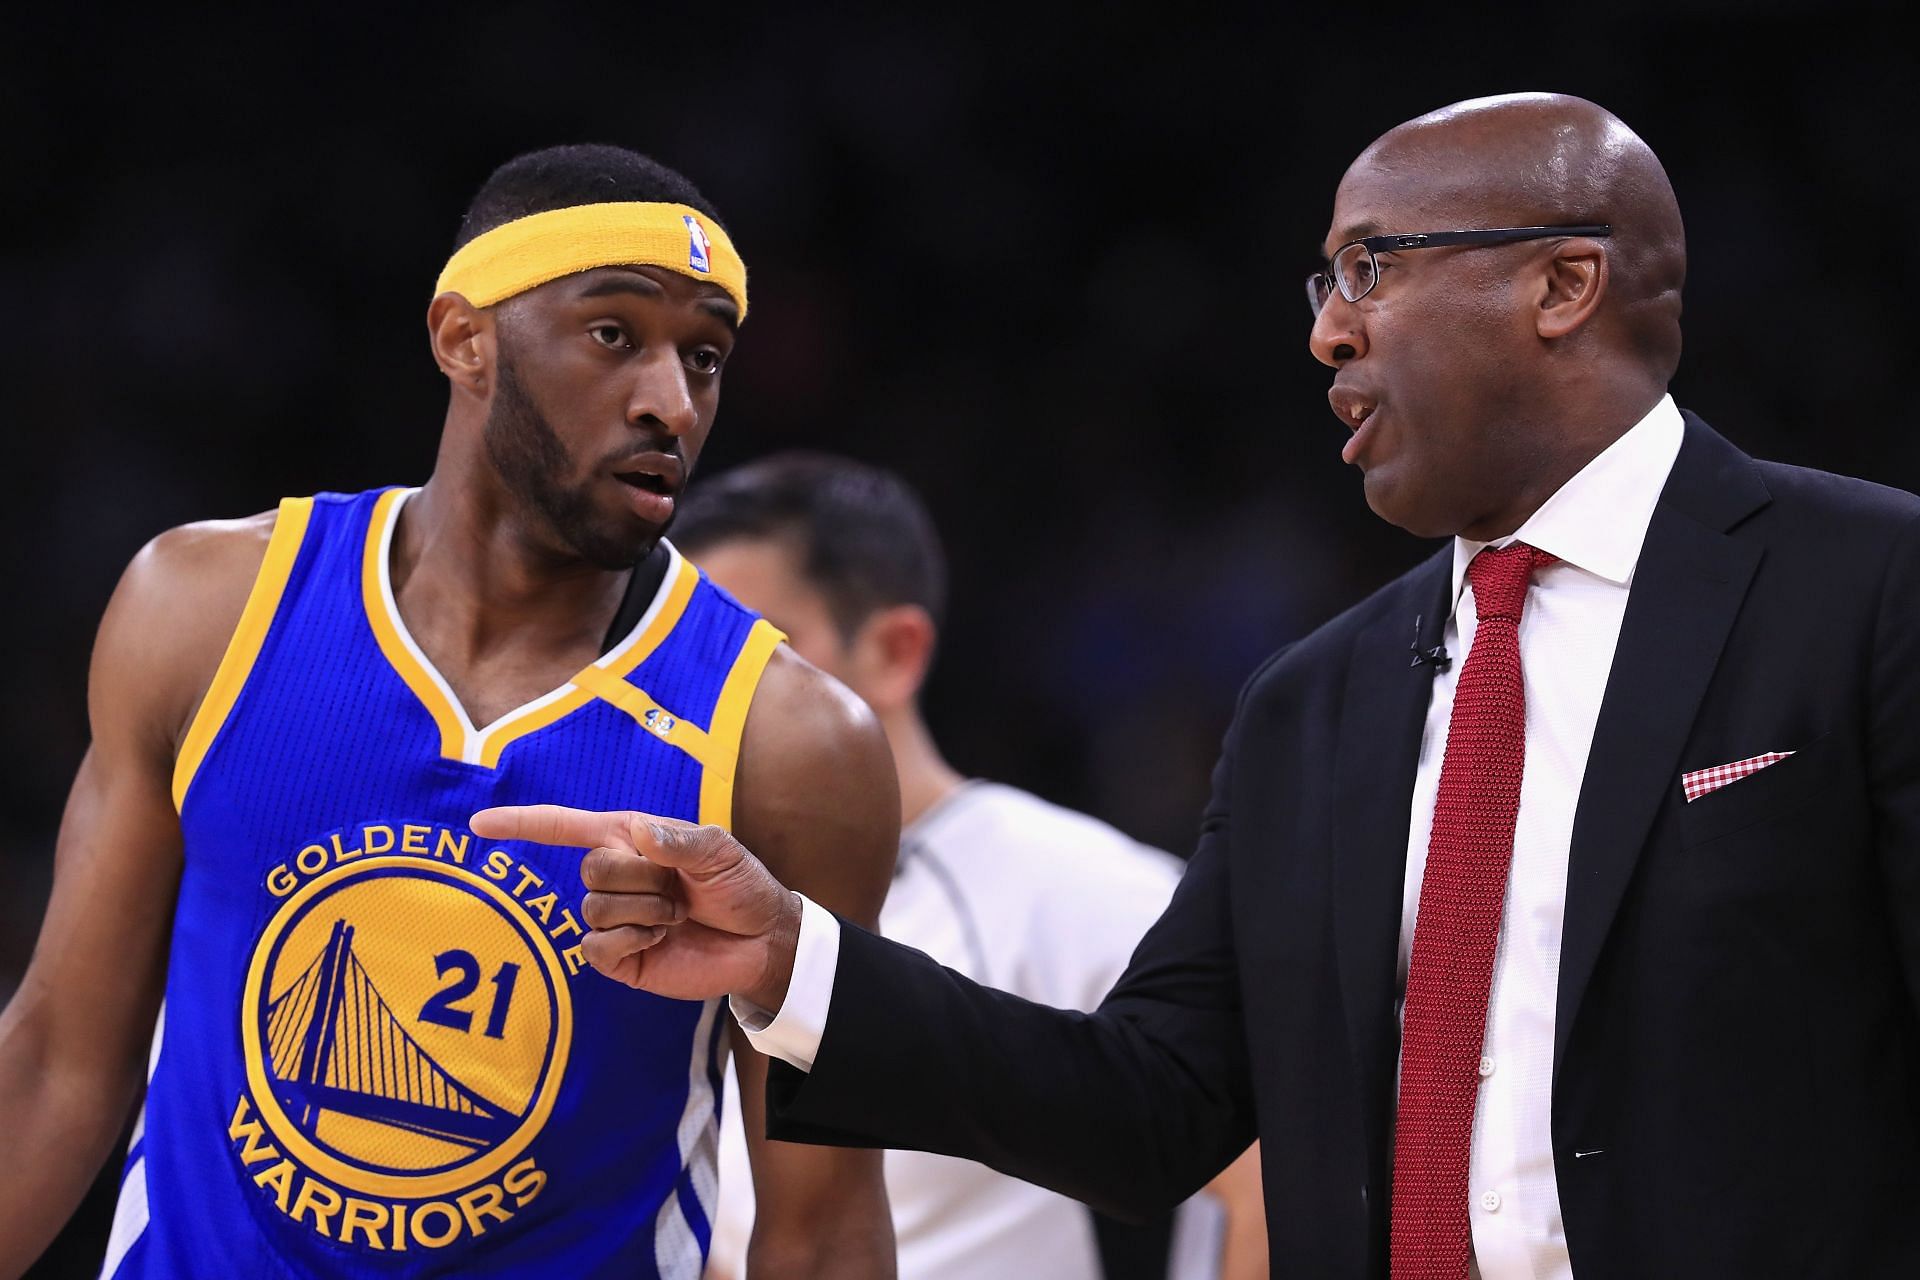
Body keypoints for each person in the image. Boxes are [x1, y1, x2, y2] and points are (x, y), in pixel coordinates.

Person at [473, 91, 1920, 1278]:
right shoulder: (1316, 703)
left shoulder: (1869, 588)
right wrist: (795, 959)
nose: (1328, 331)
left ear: (1564, 283)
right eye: (1323, 282)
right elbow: (1156, 1106)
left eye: (1374, 267)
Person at [0, 144, 900, 1280]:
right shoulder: (206, 610)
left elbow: (822, 1229)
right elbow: (55, 1066)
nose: (671, 401)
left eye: (706, 358)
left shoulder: (792, 743)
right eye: (615, 333)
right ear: (463, 337)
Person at [666, 451, 1267, 1280]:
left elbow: (1274, 1176)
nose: (707, 698)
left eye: (750, 654)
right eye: (681, 664)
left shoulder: (1081, 884)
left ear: (895, 651)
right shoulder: (676, 910)